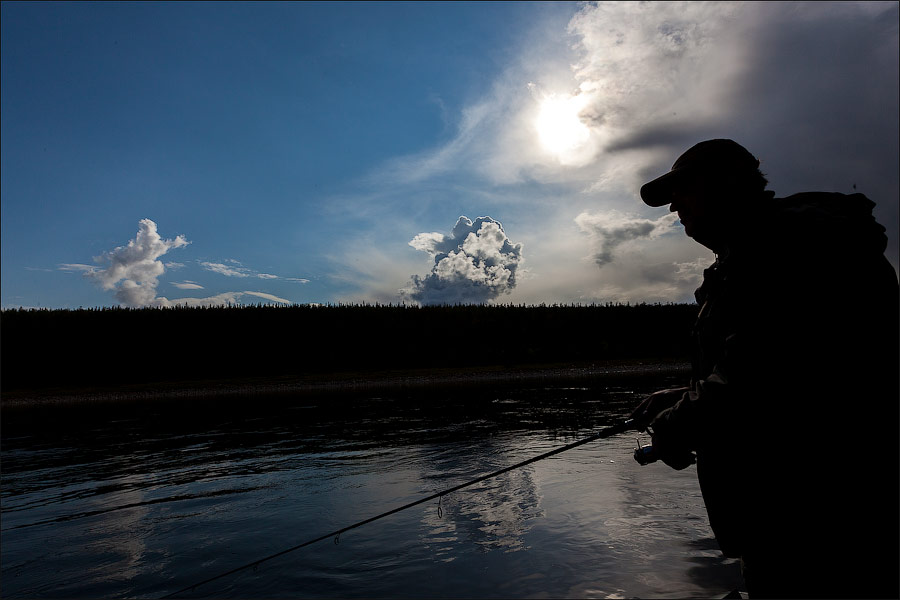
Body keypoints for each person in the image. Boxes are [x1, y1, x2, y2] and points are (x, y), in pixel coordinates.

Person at [630, 139, 899, 598]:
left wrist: (680, 424)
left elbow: (759, 378)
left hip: (819, 518)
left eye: (684, 190)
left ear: (728, 185)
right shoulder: (758, 254)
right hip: (784, 517)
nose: (674, 206)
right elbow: (776, 364)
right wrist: (685, 396)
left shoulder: (794, 248)